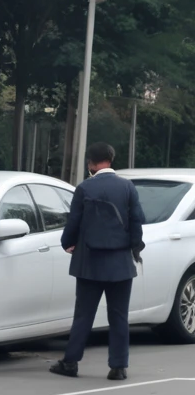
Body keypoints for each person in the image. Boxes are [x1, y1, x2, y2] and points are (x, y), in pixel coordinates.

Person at [51, 142, 145, 380]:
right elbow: (136, 222)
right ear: (111, 160)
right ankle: (118, 367)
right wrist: (135, 248)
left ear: (90, 163)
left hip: (89, 262)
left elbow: (73, 223)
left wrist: (67, 243)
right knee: (119, 316)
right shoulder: (127, 187)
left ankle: (70, 363)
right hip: (121, 264)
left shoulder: (84, 188)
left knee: (83, 315)